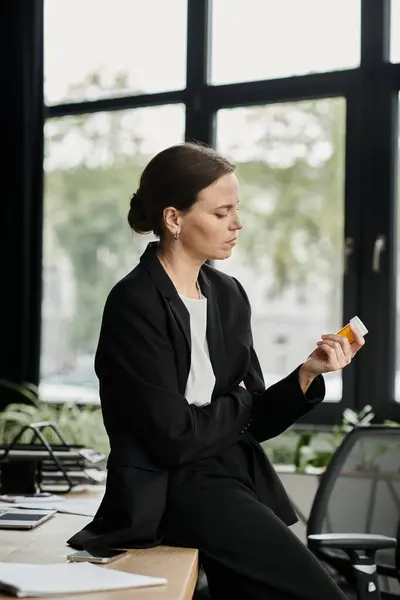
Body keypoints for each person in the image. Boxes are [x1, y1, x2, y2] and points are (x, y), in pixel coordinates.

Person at [68, 142, 365, 599]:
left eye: (237, 209)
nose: (238, 223)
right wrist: (241, 403)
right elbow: (172, 438)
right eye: (223, 212)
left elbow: (256, 421)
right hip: (173, 490)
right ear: (173, 219)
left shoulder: (228, 294)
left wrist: (307, 373)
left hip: (231, 478)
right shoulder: (134, 303)